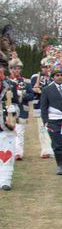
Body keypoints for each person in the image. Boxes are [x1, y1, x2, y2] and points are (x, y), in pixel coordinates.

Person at [40, 52, 62, 175]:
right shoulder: (47, 89)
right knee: (57, 143)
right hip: (53, 119)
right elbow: (44, 107)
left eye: (61, 75)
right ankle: (60, 165)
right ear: (53, 76)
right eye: (57, 75)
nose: (59, 77)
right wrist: (45, 121)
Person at [0, 58, 19, 190]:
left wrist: (14, 110)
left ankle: (5, 180)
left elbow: (18, 105)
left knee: (7, 154)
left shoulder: (10, 84)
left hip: (6, 126)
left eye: (1, 67)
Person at [8, 56, 32, 161]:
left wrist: (22, 96)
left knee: (20, 132)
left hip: (22, 109)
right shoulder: (7, 81)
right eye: (15, 68)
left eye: (19, 68)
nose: (17, 70)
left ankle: (18, 153)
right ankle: (10, 151)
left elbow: (31, 95)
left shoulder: (25, 82)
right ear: (11, 69)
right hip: (9, 110)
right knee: (9, 132)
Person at [30, 59, 55, 159]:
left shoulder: (54, 77)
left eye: (49, 67)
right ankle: (45, 150)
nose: (47, 69)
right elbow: (34, 89)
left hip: (52, 106)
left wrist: (42, 90)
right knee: (42, 129)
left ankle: (53, 148)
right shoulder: (35, 77)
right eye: (45, 67)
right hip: (40, 106)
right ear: (41, 68)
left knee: (52, 128)